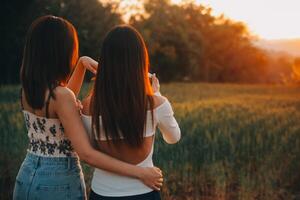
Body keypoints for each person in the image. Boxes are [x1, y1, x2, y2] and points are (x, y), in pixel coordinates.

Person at [13, 15, 163, 200]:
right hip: (58, 180)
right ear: (61, 51)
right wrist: (141, 173)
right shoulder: (61, 97)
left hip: (27, 174)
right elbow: (87, 155)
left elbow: (64, 102)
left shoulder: (29, 90)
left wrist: (82, 63)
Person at [81, 25, 181, 200]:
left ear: (105, 59)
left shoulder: (89, 105)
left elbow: (90, 150)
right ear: (141, 60)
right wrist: (156, 93)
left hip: (102, 193)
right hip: (144, 192)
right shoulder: (157, 104)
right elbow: (173, 138)